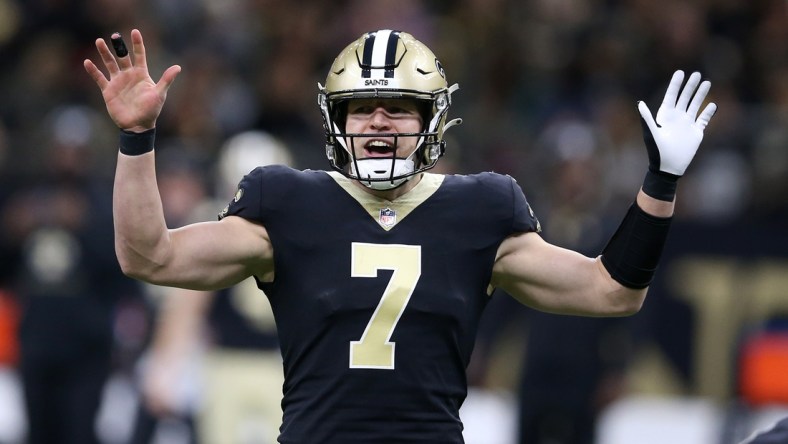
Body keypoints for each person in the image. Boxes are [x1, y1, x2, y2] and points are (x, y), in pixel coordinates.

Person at [84, 28, 716, 443]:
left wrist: (660, 181)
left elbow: (612, 291)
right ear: (337, 120)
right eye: (362, 107)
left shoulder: (482, 208)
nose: (378, 121)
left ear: (430, 120)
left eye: (397, 107)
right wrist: (137, 139)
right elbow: (149, 256)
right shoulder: (288, 200)